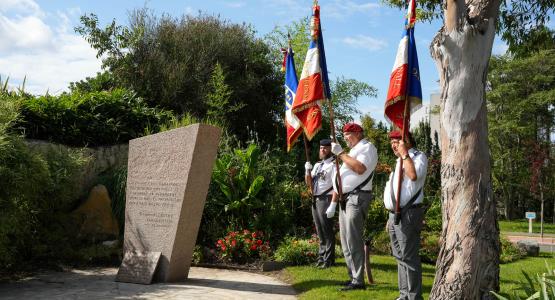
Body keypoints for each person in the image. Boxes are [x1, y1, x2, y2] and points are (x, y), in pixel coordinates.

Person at [326, 123, 378, 291]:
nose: (345, 138)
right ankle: (353, 277)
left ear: (357, 133)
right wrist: (334, 202)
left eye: (348, 134)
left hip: (357, 196)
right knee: (346, 240)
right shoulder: (355, 150)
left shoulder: (367, 148)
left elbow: (360, 168)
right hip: (345, 198)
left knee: (353, 239)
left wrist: (340, 153)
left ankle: (358, 280)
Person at [383, 130, 428, 300]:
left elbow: (413, 175)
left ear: (407, 141)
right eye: (392, 142)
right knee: (399, 257)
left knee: (409, 258)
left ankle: (414, 297)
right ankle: (404, 295)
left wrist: (404, 155)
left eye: (397, 141)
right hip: (395, 214)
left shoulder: (418, 157)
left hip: (409, 213)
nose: (394, 145)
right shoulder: (398, 160)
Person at [304, 139, 336, 269]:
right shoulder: (317, 165)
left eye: (326, 148)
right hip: (315, 198)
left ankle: (329, 259)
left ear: (331, 149)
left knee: (327, 230)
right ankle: (321, 257)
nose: (322, 150)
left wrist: (333, 204)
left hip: (326, 199)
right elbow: (309, 183)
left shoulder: (334, 165)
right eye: (321, 148)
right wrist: (307, 171)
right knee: (320, 231)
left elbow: (337, 185)